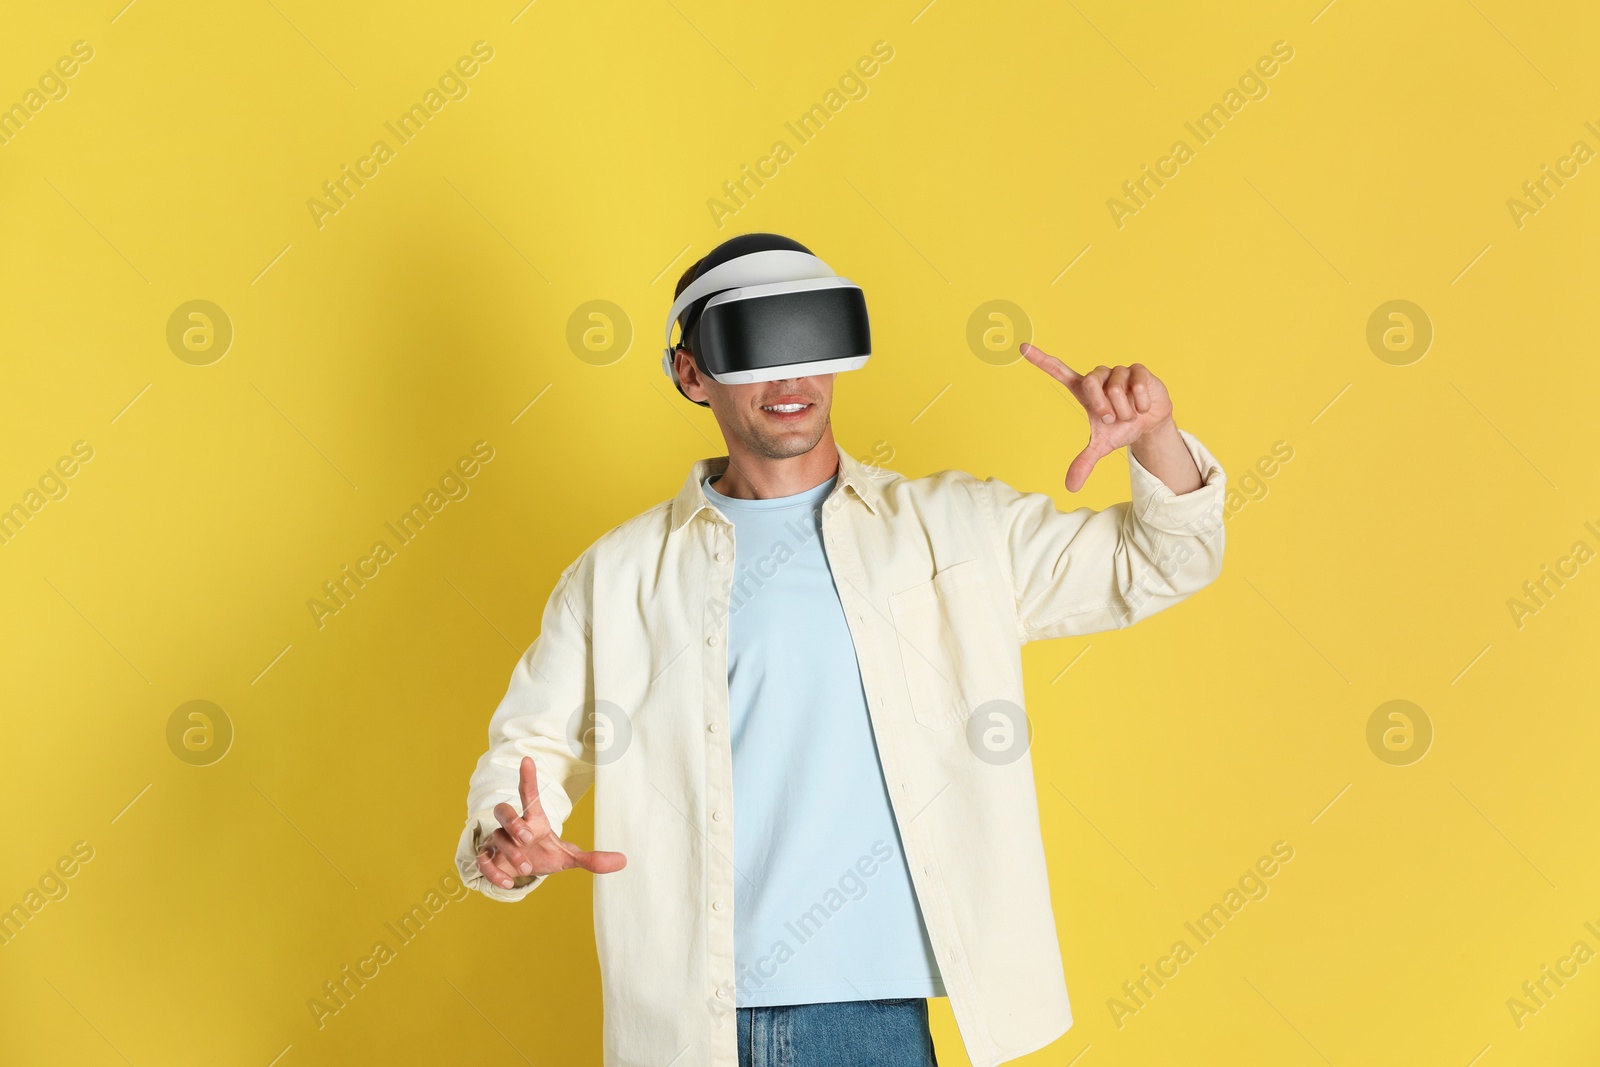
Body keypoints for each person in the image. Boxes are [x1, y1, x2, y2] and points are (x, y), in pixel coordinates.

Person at [456, 232, 1227, 1067]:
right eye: (757, 346)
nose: (791, 377)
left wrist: (1156, 438)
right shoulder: (617, 576)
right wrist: (506, 835)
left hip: (871, 1018)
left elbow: (1157, 563)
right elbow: (525, 752)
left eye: (811, 339)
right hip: (687, 1028)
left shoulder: (957, 529)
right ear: (690, 372)